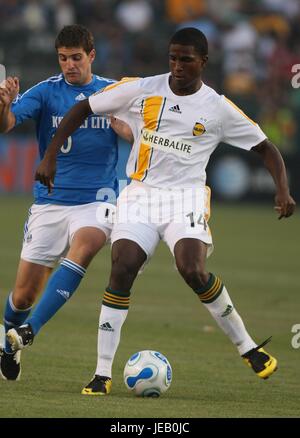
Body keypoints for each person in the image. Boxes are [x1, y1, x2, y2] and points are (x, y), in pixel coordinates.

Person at [9, 27, 296, 395]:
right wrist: (50, 155)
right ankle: (101, 374)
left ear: (203, 62)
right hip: (140, 194)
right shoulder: (144, 88)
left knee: (191, 268)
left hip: (185, 198)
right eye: (173, 57)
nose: (177, 65)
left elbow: (266, 147)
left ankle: (247, 347)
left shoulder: (218, 107)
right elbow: (83, 107)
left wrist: (283, 190)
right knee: (122, 267)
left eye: (186, 59)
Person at [0, 24, 132, 381]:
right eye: (63, 58)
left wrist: (126, 127)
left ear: (91, 55)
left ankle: (28, 332)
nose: (69, 64)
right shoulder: (45, 92)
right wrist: (4, 105)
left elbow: (133, 130)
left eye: (76, 57)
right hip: (50, 203)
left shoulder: (111, 92)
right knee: (23, 296)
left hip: (97, 199)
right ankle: (8, 337)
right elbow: (7, 124)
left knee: (87, 244)